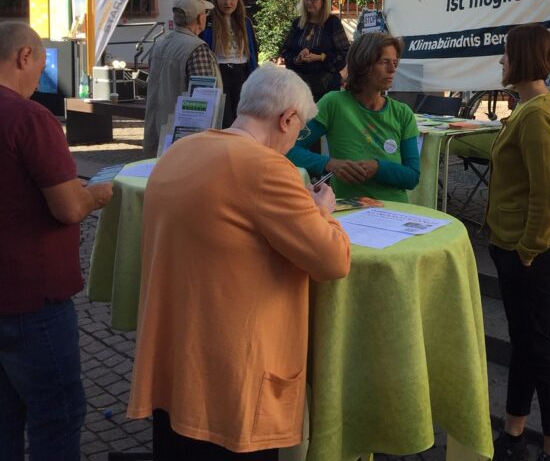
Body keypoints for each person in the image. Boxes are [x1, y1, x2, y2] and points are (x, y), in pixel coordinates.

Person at [128, 65, 351, 460]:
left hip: (176, 370)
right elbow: (333, 260)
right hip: (233, 386)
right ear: (287, 120)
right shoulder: (268, 169)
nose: (295, 140)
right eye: (299, 132)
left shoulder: (181, 150)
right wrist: (324, 211)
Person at [0, 22, 114, 461]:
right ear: (24, 57)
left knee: (7, 417)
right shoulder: (29, 117)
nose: (38, 78)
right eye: (41, 64)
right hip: (32, 296)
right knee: (57, 415)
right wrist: (102, 193)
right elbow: (68, 207)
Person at [486, 24, 550, 461]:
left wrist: (526, 252)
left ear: (520, 60)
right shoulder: (529, 107)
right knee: (524, 345)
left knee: (538, 350)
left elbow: (547, 196)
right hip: (516, 247)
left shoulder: (536, 113)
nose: (500, 61)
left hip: (530, 252)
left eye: (505, 54)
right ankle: (514, 434)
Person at [288, 32, 419, 203]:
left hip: (395, 211)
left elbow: (412, 177)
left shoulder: (403, 113)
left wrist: (378, 168)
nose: (393, 69)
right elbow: (289, 149)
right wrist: (329, 164)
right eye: (384, 62)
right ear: (363, 64)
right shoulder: (334, 103)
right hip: (348, 210)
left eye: (395, 62)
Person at [143, 0, 223, 156]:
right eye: (205, 14)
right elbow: (204, 97)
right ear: (200, 18)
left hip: (157, 128)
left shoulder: (159, 45)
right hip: (183, 135)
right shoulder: (197, 48)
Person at [201, 0, 259, 127]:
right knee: (225, 119)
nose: (228, 2)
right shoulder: (208, 22)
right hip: (219, 72)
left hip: (241, 72)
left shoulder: (245, 22)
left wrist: (254, 75)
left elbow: (252, 50)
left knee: (242, 116)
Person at [280, 0, 349, 102]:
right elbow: (285, 50)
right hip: (298, 85)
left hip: (326, 86)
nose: (308, 2)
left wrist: (320, 57)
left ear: (323, 0)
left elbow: (345, 53)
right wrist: (297, 59)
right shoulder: (298, 23)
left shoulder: (332, 23)